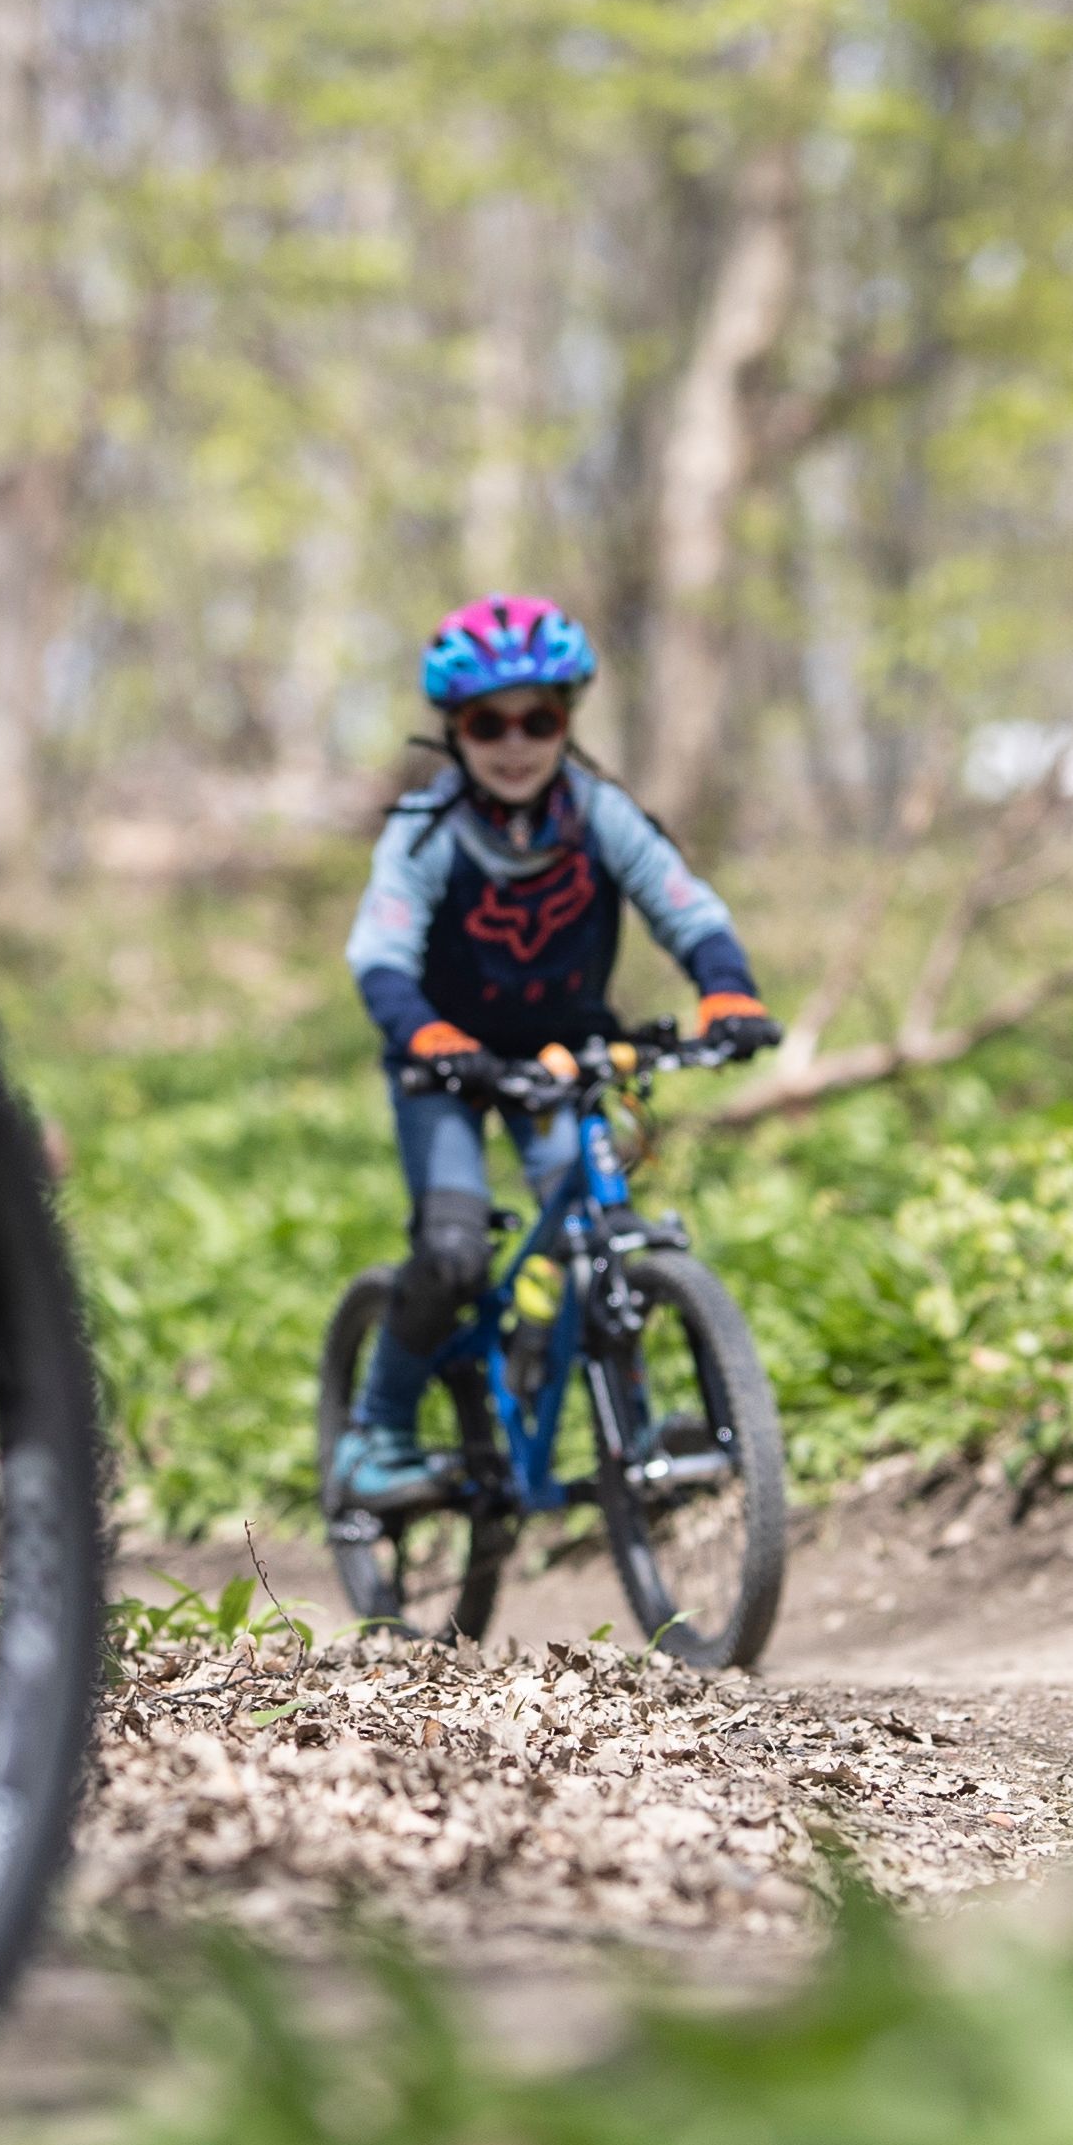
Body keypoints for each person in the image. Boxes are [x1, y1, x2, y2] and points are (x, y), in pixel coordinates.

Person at [326, 597, 779, 1524]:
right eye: (490, 723)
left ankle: (632, 1428)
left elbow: (684, 905)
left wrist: (726, 991)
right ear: (455, 730)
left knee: (601, 1228)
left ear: (568, 720)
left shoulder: (599, 813)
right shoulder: (426, 828)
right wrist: (431, 1038)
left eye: (540, 719)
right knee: (452, 1253)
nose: (516, 743)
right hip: (442, 1062)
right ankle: (378, 1436)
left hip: (565, 1057)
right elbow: (379, 956)